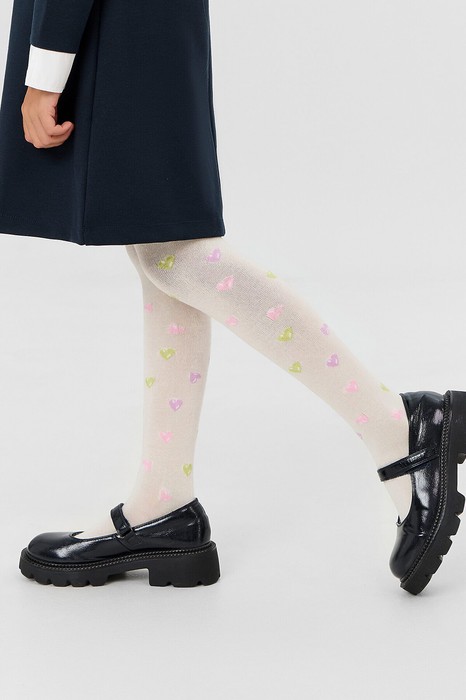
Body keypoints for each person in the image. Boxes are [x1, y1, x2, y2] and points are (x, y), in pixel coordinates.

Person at [0, 1, 464, 595]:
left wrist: (46, 70)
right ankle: (163, 503)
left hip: (121, 20)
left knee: (171, 253)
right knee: (160, 243)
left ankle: (398, 425)